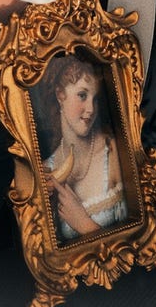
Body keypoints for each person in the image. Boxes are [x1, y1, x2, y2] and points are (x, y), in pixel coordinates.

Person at [34, 53, 128, 241]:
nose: (91, 109)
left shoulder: (114, 151)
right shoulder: (45, 170)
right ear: (60, 94)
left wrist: (83, 223)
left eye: (95, 99)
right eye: (82, 95)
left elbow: (130, 237)